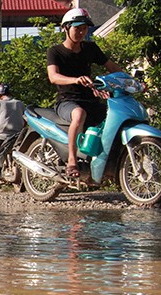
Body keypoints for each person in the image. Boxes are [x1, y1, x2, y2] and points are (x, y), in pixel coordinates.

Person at [47, 7, 122, 178]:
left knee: (114, 116)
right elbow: (53, 77)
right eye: (77, 28)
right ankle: (72, 161)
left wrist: (130, 81)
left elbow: (112, 67)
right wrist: (75, 79)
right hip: (67, 101)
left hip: (90, 99)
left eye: (84, 28)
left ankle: (108, 162)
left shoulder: (91, 48)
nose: (81, 32)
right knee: (79, 114)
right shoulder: (55, 51)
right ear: (66, 28)